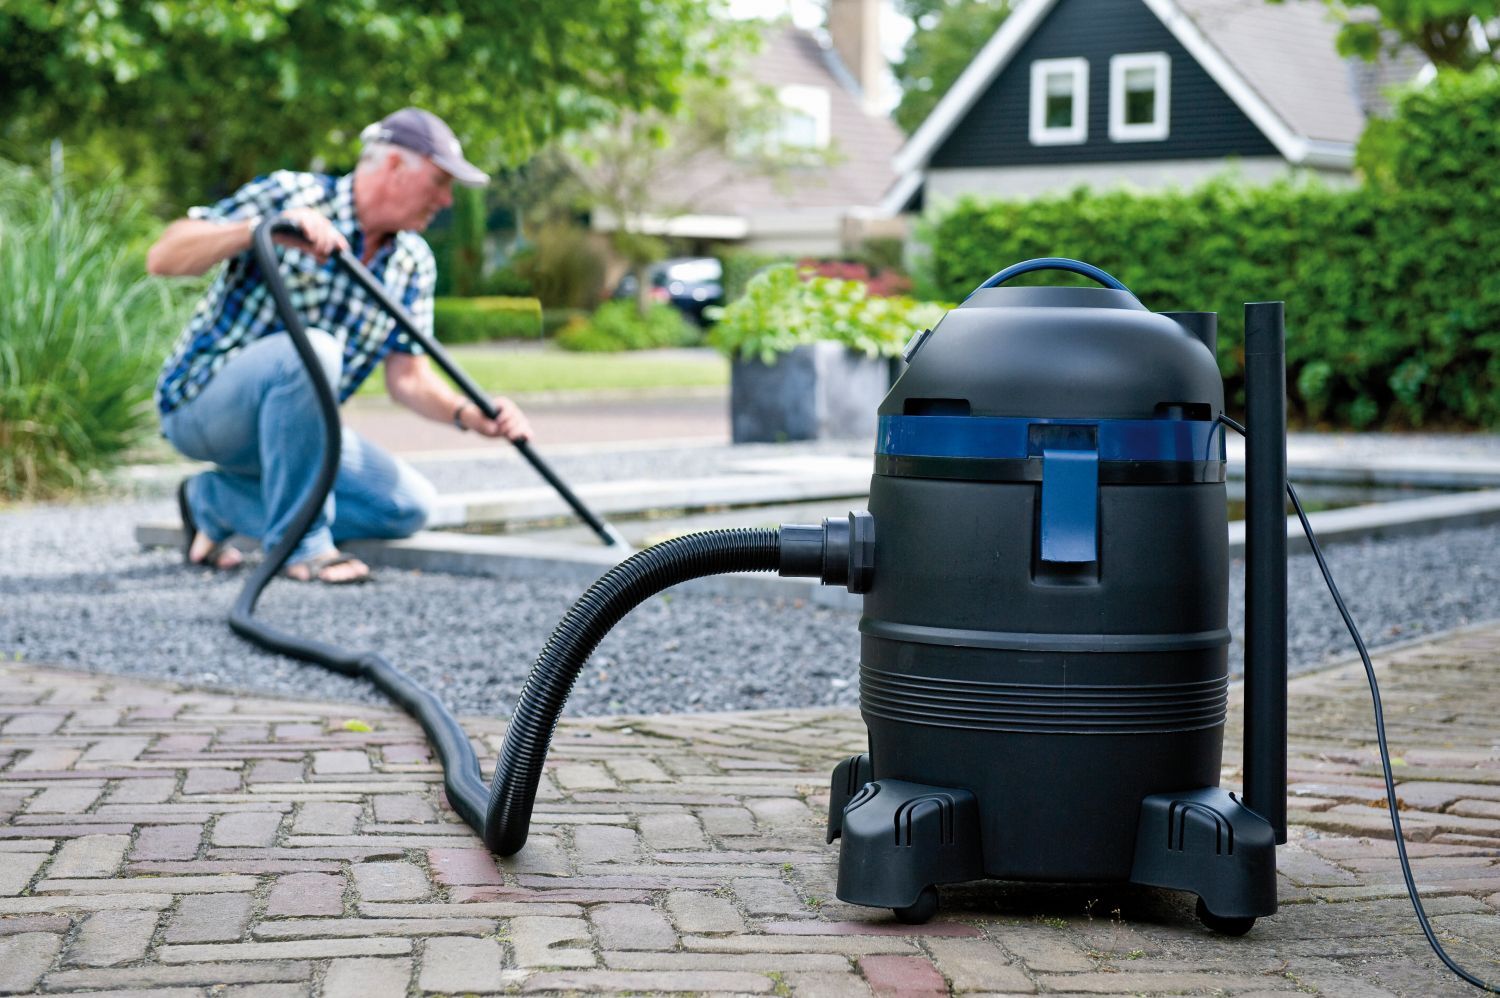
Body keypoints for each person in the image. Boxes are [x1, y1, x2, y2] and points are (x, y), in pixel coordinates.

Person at [147, 108, 530, 584]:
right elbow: (163, 257)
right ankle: (303, 546)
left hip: (302, 431)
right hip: (204, 408)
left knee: (406, 507)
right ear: (394, 167)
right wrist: (260, 228)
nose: (447, 200)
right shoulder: (293, 194)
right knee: (315, 350)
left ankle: (213, 501)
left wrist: (469, 413)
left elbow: (407, 379)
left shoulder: (412, 262)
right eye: (439, 181)